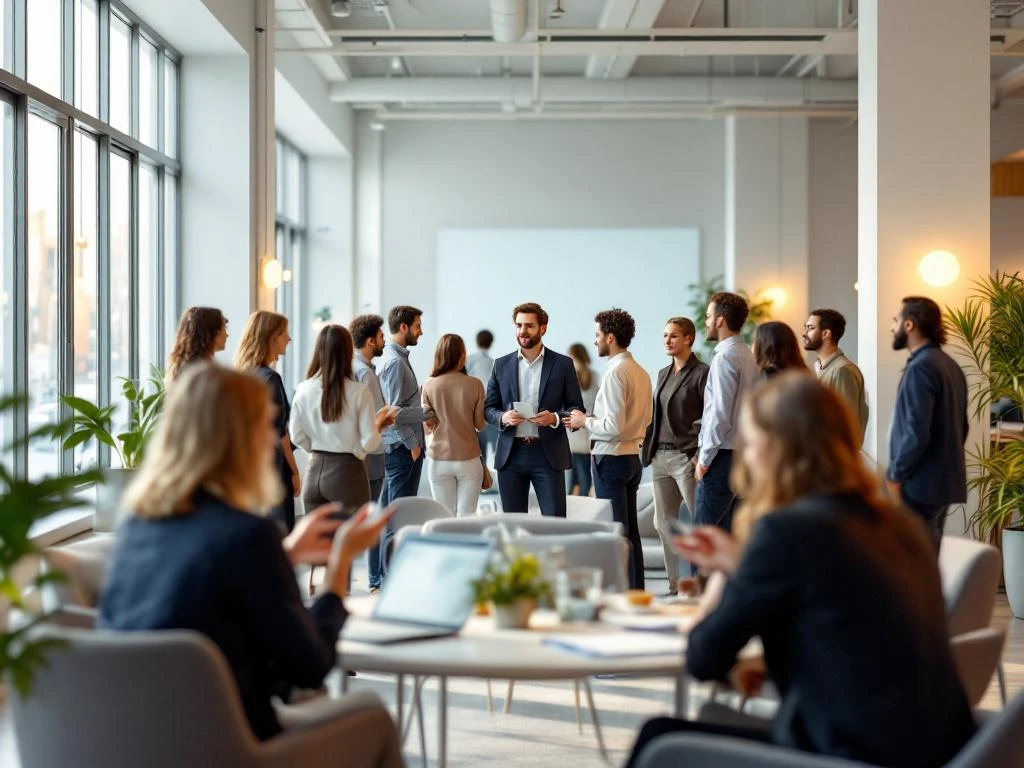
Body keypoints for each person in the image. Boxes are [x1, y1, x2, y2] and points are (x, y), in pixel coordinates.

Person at [625, 373, 975, 768]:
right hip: (939, 747)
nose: (746, 455)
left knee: (660, 738)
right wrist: (743, 562)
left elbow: (704, 659)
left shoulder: (784, 530)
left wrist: (725, 575)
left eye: (752, 442)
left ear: (777, 449)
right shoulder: (897, 524)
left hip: (849, 751)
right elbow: (843, 619)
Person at [99, 363, 400, 755]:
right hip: (232, 747)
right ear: (238, 439)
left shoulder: (136, 526)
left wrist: (285, 553)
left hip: (138, 745)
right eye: (267, 424)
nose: (273, 438)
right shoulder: (248, 536)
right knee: (373, 715)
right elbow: (309, 666)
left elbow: (203, 587)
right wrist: (340, 561)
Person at [566, 309, 652, 590]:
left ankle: (622, 593)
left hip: (611, 459)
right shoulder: (641, 372)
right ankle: (635, 591)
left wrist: (584, 420)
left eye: (597, 335)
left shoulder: (616, 373)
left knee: (615, 533)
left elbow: (613, 425)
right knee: (631, 534)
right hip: (632, 459)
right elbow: (646, 419)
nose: (595, 341)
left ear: (610, 337)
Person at [485, 302, 584, 517]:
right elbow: (488, 409)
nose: (522, 331)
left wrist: (555, 418)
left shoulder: (563, 364)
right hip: (511, 456)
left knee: (554, 522)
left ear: (542, 328)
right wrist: (503, 417)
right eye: (518, 325)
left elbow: (576, 408)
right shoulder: (500, 365)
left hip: (547, 455)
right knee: (513, 526)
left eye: (529, 325)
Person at [290, 325, 396, 522]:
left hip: (313, 473)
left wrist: (317, 451)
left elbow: (296, 436)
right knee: (353, 546)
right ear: (348, 351)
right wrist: (378, 424)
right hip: (347, 473)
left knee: (320, 547)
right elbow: (370, 444)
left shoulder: (303, 388)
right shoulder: (357, 391)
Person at [887, 296, 969, 551]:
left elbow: (916, 432)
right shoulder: (950, 365)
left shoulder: (921, 367)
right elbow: (962, 427)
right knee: (929, 560)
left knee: (912, 562)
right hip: (940, 483)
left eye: (895, 320)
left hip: (917, 485)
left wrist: (895, 475)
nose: (893, 327)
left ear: (909, 325)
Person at [641, 317, 708, 596]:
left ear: (689, 339)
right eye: (665, 335)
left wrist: (698, 452)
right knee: (663, 522)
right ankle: (675, 584)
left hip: (685, 457)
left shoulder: (702, 372)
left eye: (674, 336)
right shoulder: (662, 373)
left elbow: (709, 415)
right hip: (660, 456)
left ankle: (704, 582)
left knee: (699, 521)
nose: (667, 341)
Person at [694, 292, 759, 535]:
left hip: (721, 457)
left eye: (709, 316)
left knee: (704, 540)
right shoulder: (748, 355)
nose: (706, 321)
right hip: (743, 455)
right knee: (729, 539)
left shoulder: (725, 358)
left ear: (720, 320)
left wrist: (704, 459)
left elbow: (719, 414)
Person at [234, 311, 300, 533]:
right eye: (284, 334)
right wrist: (294, 471)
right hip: (273, 469)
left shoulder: (242, 375)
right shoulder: (270, 379)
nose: (289, 339)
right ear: (271, 337)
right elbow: (279, 432)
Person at [422, 334, 486, 516]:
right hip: (469, 458)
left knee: (444, 516)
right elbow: (480, 425)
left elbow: (427, 427)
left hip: (438, 459)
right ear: (461, 355)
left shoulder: (429, 384)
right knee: (467, 516)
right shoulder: (475, 384)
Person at [350, 314, 388, 590]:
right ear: (370, 341)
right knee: (375, 519)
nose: (383, 340)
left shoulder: (351, 367)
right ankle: (375, 578)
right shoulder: (366, 373)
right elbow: (375, 417)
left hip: (358, 455)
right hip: (372, 456)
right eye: (381, 336)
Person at [802, 308, 869, 444]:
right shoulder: (819, 367)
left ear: (826, 333)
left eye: (810, 328)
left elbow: (845, 425)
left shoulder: (842, 370)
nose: (804, 333)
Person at [565, 343, 599, 497]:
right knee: (579, 476)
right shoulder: (590, 375)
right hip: (580, 431)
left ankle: (576, 510)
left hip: (581, 430)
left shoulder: (574, 376)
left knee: (577, 479)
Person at [166, 307, 228, 381]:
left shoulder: (182, 367)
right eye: (224, 328)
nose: (227, 335)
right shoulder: (205, 373)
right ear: (214, 333)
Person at [467, 329, 498, 466]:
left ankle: (481, 483)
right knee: (495, 450)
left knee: (478, 451)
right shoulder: (493, 363)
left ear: (476, 342)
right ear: (491, 343)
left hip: (472, 411)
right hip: (490, 411)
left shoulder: (468, 360)